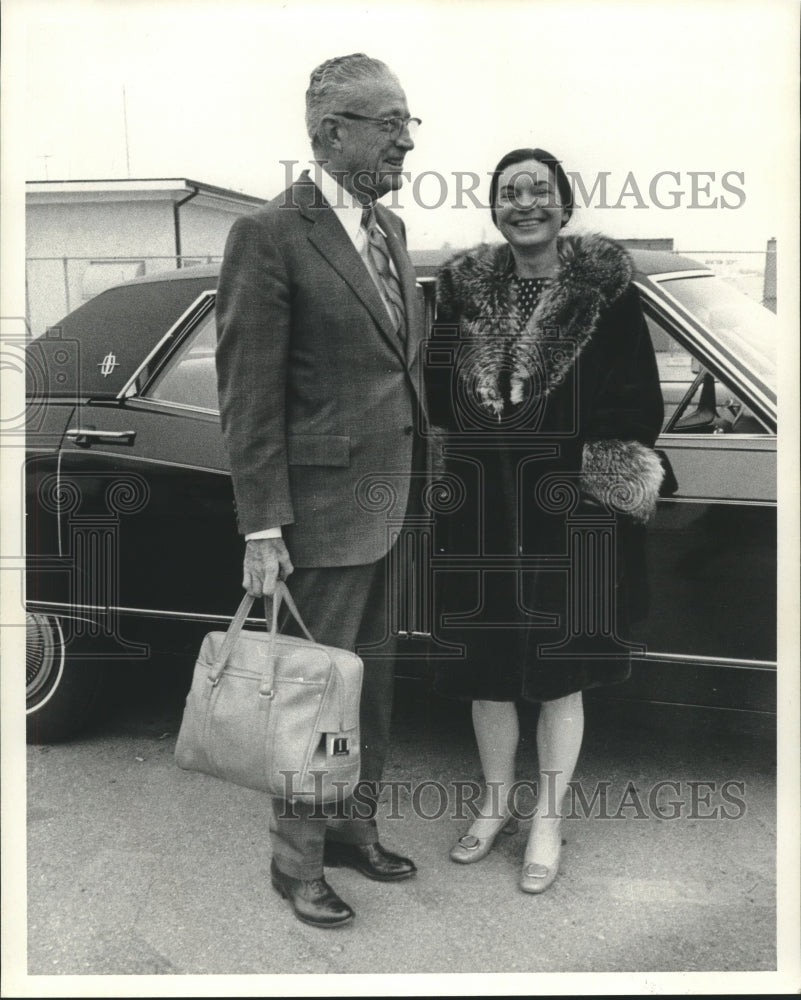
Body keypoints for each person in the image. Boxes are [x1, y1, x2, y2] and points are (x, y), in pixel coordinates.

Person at [215, 54, 429, 928]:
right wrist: (262, 526)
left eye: (409, 124)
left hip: (389, 510)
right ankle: (294, 861)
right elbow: (248, 392)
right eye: (390, 124)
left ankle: (350, 828)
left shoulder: (389, 229)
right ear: (331, 132)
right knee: (311, 694)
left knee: (369, 689)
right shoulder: (269, 234)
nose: (406, 141)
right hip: (318, 518)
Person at [426, 148, 665, 894]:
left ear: (564, 205)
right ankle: (495, 803)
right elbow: (436, 393)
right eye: (509, 192)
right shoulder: (461, 292)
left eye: (539, 191)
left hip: (570, 514)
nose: (524, 203)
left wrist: (582, 482)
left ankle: (548, 821)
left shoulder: (608, 295)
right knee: (487, 673)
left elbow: (636, 405)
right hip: (482, 512)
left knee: (562, 677)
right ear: (494, 208)